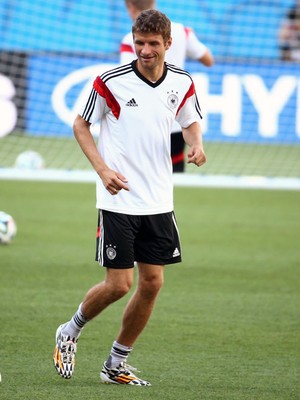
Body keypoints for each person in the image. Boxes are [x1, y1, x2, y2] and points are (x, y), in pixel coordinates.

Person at [53, 9, 206, 386]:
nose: (145, 50)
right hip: (118, 199)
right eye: (140, 43)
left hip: (159, 200)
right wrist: (103, 170)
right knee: (119, 285)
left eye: (153, 44)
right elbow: (80, 124)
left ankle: (115, 363)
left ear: (169, 44)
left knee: (152, 283)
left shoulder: (182, 82)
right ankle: (69, 331)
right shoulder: (110, 81)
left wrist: (197, 144)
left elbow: (189, 121)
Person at [120, 0, 213, 172]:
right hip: (174, 119)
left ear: (129, 7)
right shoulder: (181, 31)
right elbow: (208, 60)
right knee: (172, 178)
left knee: (140, 177)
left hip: (144, 122)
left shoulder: (131, 40)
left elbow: (128, 78)